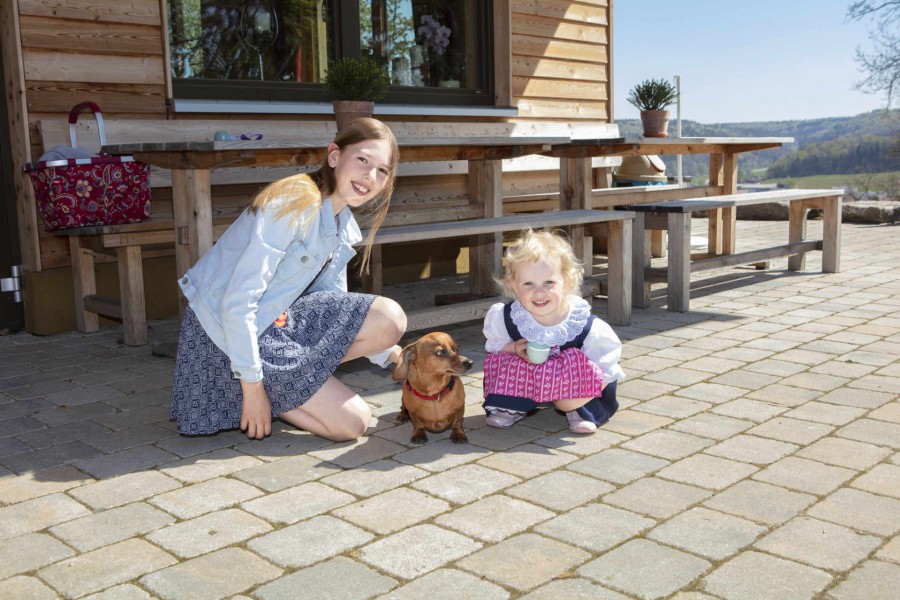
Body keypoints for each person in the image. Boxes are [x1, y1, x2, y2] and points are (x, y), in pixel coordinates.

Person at [172, 118, 406, 442]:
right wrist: (254, 389)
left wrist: (389, 354)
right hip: (224, 335)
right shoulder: (293, 202)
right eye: (363, 160)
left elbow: (332, 307)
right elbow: (237, 303)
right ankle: (251, 385)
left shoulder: (343, 225)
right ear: (335, 156)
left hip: (275, 324)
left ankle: (284, 383)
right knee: (353, 424)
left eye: (383, 170)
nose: (370, 176)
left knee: (390, 322)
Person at [482, 228, 624, 434]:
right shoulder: (507, 316)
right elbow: (493, 345)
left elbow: (605, 365)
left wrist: (576, 396)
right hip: (528, 378)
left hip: (571, 385)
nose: (539, 292)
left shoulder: (583, 323)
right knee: (507, 358)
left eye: (549, 282)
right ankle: (511, 406)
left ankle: (579, 411)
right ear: (513, 284)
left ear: (566, 281)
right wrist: (513, 347)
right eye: (528, 283)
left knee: (576, 359)